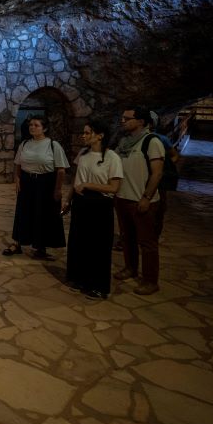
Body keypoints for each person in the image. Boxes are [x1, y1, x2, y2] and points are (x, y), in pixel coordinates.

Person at [62, 120, 123, 300]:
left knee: (98, 246)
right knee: (79, 241)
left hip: (99, 205)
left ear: (100, 135)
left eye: (88, 133)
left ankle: (99, 285)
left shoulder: (112, 158)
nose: (84, 135)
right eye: (84, 132)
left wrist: (89, 185)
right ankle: (79, 277)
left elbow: (114, 187)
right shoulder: (83, 153)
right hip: (81, 203)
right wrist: (68, 199)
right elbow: (77, 179)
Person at [113, 106, 165, 295]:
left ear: (141, 121)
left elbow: (157, 172)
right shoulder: (125, 141)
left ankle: (151, 280)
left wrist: (146, 197)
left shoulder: (151, 141)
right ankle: (130, 268)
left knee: (147, 242)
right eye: (123, 118)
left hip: (141, 200)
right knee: (127, 237)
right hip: (123, 197)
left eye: (127, 118)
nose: (123, 121)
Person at [6, 116, 69, 259]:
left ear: (44, 128)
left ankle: (41, 248)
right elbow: (17, 164)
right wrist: (17, 179)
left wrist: (58, 189)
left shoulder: (53, 145)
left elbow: (60, 170)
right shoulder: (25, 144)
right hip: (27, 182)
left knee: (43, 214)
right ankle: (18, 243)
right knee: (23, 212)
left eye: (36, 125)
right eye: (31, 125)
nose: (32, 127)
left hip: (46, 183)